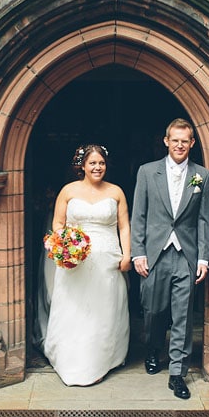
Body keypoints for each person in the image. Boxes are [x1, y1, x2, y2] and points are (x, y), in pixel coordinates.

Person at [130, 118, 209, 399]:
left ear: (192, 143)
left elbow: (204, 220)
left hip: (186, 255)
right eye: (174, 140)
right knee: (153, 310)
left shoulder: (201, 175)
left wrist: (203, 258)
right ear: (166, 141)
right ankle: (153, 349)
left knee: (183, 315)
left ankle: (178, 373)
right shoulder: (147, 172)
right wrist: (138, 253)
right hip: (155, 253)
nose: (179, 145)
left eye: (185, 141)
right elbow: (138, 215)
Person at [43, 144, 132, 386]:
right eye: (92, 163)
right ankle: (70, 358)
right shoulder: (68, 191)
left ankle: (101, 361)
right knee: (75, 309)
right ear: (82, 166)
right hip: (76, 263)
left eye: (101, 163)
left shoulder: (116, 192)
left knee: (103, 311)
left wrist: (127, 255)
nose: (97, 167)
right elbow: (58, 224)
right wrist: (65, 248)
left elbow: (124, 226)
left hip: (107, 260)